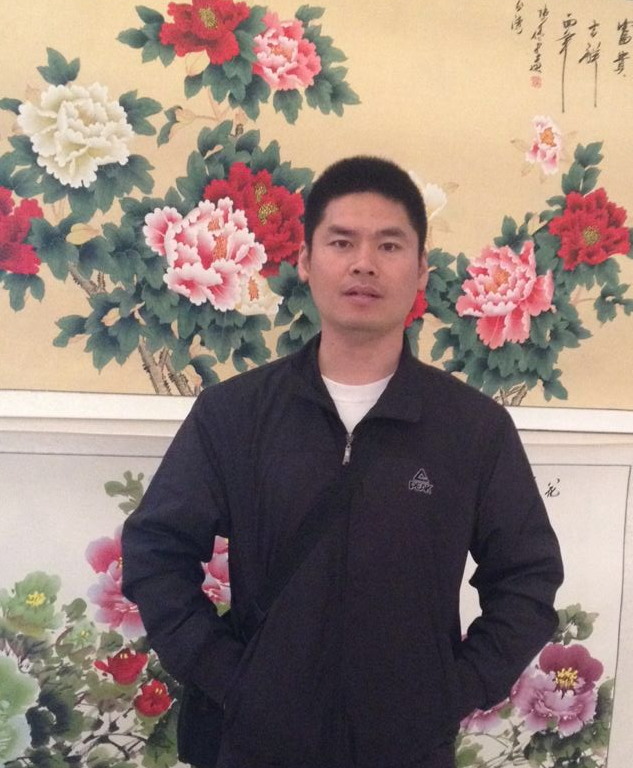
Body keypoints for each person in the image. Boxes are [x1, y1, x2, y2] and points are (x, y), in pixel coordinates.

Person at [122, 156, 563, 768]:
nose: (364, 263)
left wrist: (451, 691)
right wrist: (231, 676)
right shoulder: (235, 414)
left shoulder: (472, 430)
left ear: (421, 269)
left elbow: (528, 577)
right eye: (341, 242)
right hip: (258, 745)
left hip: (406, 750)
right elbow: (156, 551)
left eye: (389, 245)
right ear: (306, 261)